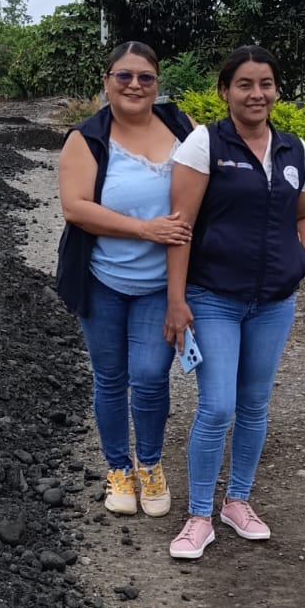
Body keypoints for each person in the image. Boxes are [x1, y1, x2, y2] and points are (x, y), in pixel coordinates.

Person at [163, 45, 305, 560]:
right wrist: (177, 300)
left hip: (274, 302)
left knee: (254, 404)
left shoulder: (294, 149)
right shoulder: (204, 144)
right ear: (225, 91)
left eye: (265, 84)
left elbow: (303, 216)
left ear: (277, 90)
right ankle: (198, 516)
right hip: (214, 299)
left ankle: (238, 502)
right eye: (244, 84)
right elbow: (180, 228)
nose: (256, 94)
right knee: (217, 406)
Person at [56, 42, 195, 517]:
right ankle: (118, 468)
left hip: (161, 284)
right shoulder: (87, 138)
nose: (135, 85)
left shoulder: (182, 128)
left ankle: (150, 464)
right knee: (111, 378)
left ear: (157, 84)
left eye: (145, 77)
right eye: (124, 76)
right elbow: (75, 208)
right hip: (102, 281)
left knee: (152, 377)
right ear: (107, 81)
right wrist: (144, 229)